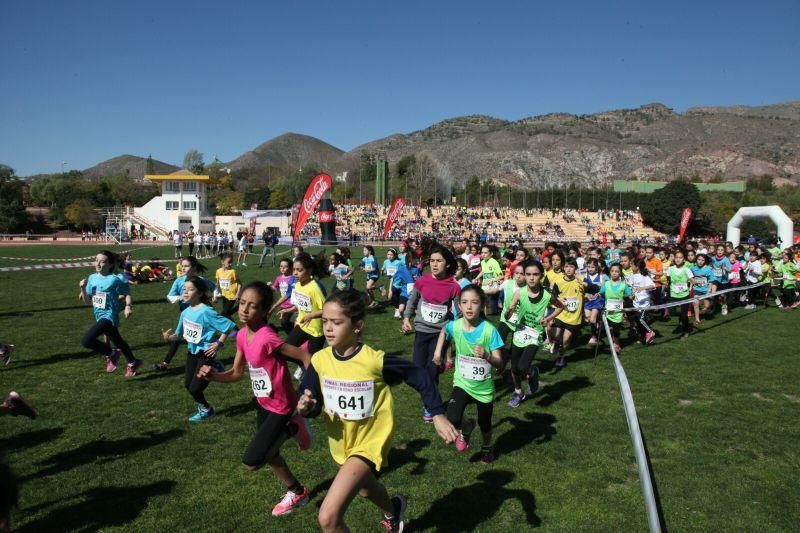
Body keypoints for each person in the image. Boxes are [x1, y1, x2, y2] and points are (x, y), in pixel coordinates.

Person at [297, 290, 457, 532]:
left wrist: (437, 413)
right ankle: (393, 509)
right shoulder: (319, 360)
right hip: (341, 442)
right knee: (365, 488)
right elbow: (311, 398)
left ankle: (391, 510)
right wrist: (307, 406)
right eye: (325, 322)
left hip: (370, 443)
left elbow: (420, 375)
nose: (328, 328)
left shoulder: (375, 361)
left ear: (357, 325)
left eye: (337, 322)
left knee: (328, 518)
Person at [197, 282, 313, 517]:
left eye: (252, 306)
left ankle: (294, 426)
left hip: (283, 406)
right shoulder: (241, 335)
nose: (244, 310)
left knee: (252, 460)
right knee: (270, 454)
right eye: (242, 304)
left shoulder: (267, 338)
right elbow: (237, 373)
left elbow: (304, 356)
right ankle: (297, 491)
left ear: (264, 311)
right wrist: (214, 376)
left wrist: (309, 391)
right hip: (263, 403)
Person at [432, 285, 504, 463]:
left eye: (474, 303)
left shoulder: (489, 331)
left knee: (485, 423)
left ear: (482, 305)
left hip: (483, 387)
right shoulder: (455, 327)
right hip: (462, 382)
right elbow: (444, 331)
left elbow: (500, 363)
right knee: (453, 418)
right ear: (459, 306)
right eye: (465, 302)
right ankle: (468, 427)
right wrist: (437, 353)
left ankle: (487, 447)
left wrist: (487, 356)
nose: (469, 307)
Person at [162, 275, 235, 421]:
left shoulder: (206, 312)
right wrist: (169, 337)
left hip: (206, 353)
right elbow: (179, 335)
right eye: (184, 289)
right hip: (192, 353)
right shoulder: (185, 312)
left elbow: (228, 326)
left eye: (191, 289)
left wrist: (218, 343)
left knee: (195, 388)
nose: (186, 292)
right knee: (188, 385)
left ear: (200, 293)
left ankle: (213, 369)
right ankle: (206, 409)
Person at [402, 244, 461, 422]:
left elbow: (459, 311)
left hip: (441, 334)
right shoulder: (422, 281)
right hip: (421, 331)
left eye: (439, 261)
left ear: (448, 264)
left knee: (431, 371)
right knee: (417, 372)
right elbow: (412, 301)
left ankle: (430, 407)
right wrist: (406, 318)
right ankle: (430, 398)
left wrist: (457, 329)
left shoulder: (454, 286)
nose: (434, 264)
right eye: (432, 261)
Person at [504, 261, 562, 407]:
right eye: (528, 274)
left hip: (535, 334)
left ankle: (533, 372)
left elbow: (561, 307)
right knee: (515, 368)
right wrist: (509, 311)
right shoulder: (519, 293)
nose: (531, 278)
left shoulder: (547, 295)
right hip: (520, 331)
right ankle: (518, 392)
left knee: (523, 367)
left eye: (535, 274)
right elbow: (507, 317)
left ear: (541, 276)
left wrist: (547, 319)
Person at [78, 250, 142, 376]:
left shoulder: (114, 280)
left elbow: (127, 293)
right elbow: (88, 302)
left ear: (110, 265)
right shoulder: (91, 278)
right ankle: (133, 362)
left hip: (109, 316)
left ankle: (112, 353)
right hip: (99, 315)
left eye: (102, 262)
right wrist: (82, 289)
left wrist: (128, 307)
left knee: (86, 341)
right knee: (119, 342)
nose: (98, 264)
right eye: (96, 260)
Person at [155, 257, 216, 371]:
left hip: (200, 315)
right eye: (182, 266)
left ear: (194, 268)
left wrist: (215, 297)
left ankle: (210, 362)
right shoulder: (178, 281)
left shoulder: (200, 280)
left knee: (203, 339)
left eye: (186, 266)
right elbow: (169, 297)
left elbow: (214, 288)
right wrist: (180, 297)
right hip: (186, 315)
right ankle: (165, 363)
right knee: (180, 337)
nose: (183, 268)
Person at [278, 253, 327, 356]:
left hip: (316, 331)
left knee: (314, 364)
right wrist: (288, 310)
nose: (295, 273)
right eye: (294, 269)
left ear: (309, 271)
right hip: (302, 326)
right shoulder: (297, 285)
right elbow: (300, 305)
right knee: (286, 351)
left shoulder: (314, 289)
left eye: (299, 270)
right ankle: (303, 362)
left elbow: (327, 310)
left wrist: (311, 315)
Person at [548, 258, 584, 370]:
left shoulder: (581, 280)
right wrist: (558, 299)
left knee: (567, 340)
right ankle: (555, 342)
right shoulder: (558, 281)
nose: (569, 269)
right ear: (564, 268)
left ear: (576, 269)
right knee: (556, 334)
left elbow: (593, 289)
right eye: (567, 266)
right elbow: (552, 297)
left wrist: (587, 289)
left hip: (573, 316)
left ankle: (561, 356)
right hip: (560, 313)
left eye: (571, 267)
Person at [598, 263, 631, 352]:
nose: (614, 273)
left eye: (617, 271)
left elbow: (629, 294)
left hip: (618, 312)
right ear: (609, 272)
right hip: (608, 311)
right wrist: (598, 294)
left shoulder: (624, 285)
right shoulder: (606, 284)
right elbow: (601, 293)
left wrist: (631, 296)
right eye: (612, 271)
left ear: (620, 273)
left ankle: (616, 344)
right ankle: (612, 341)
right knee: (608, 328)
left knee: (616, 329)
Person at [667, 250, 694, 339]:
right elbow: (666, 279)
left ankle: (685, 331)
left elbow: (691, 279)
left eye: (680, 257)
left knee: (684, 314)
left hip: (684, 295)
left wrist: (696, 282)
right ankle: (682, 317)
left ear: (684, 259)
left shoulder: (686, 269)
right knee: (671, 312)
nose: (678, 259)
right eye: (676, 257)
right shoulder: (670, 269)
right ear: (674, 258)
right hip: (673, 294)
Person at [629, 259, 656, 344]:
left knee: (641, 319)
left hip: (644, 303)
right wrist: (632, 294)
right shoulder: (633, 275)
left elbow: (653, 286)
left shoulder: (644, 276)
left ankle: (650, 331)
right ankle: (644, 337)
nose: (630, 266)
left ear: (637, 267)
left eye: (632, 265)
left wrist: (642, 288)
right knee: (638, 321)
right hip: (636, 302)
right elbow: (634, 288)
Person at [268, 259, 297, 334]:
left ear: (290, 268)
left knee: (284, 322)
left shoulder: (293, 278)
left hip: (292, 305)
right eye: (281, 266)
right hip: (283, 305)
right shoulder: (279, 278)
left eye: (285, 266)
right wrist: (268, 287)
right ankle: (293, 334)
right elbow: (275, 288)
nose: (283, 268)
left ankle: (292, 336)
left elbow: (289, 294)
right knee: (284, 323)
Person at [213, 253, 241, 320]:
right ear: (222, 262)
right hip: (224, 296)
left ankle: (234, 328)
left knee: (223, 314)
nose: (230, 264)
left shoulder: (232, 272)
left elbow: (240, 283)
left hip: (232, 296)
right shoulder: (218, 271)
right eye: (229, 262)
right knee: (226, 314)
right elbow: (217, 284)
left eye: (231, 262)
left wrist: (237, 294)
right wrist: (215, 296)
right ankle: (238, 307)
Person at [690, 254, 714, 321]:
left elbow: (711, 280)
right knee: (695, 303)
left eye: (702, 260)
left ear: (705, 261)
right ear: (696, 260)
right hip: (696, 289)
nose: (700, 261)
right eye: (699, 259)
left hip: (706, 290)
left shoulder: (708, 269)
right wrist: (691, 285)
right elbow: (690, 278)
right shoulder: (693, 268)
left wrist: (709, 290)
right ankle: (697, 319)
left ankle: (708, 308)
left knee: (706, 306)